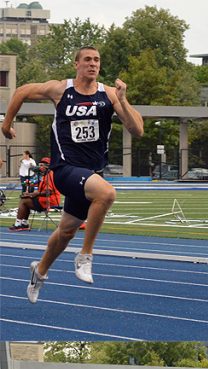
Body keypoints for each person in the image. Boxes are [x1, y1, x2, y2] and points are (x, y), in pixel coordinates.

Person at [1, 45, 143, 302]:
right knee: (107, 193)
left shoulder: (109, 95)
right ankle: (85, 255)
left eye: (97, 60)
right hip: (64, 168)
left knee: (66, 231)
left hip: (90, 173)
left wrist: (122, 100)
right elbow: (21, 91)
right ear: (76, 63)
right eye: (87, 59)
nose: (92, 64)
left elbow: (137, 130)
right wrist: (6, 124)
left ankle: (40, 272)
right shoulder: (60, 89)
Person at [9, 156, 61, 231]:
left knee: (24, 201)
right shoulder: (43, 175)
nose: (39, 167)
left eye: (42, 165)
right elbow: (34, 183)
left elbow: (48, 192)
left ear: (47, 166)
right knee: (25, 198)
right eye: (39, 165)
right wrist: (27, 185)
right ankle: (24, 223)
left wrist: (34, 194)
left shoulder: (50, 175)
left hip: (50, 201)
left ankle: (18, 224)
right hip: (43, 199)